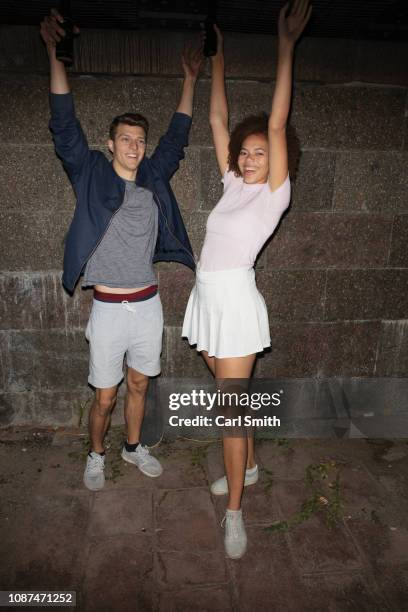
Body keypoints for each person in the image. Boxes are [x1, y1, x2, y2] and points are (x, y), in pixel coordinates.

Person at [40, 9, 203, 491]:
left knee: (139, 385)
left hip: (148, 304)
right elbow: (63, 124)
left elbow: (177, 138)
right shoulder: (90, 172)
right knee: (105, 395)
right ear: (110, 144)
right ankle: (96, 453)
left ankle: (133, 449)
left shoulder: (153, 176)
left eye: (140, 140)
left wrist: (190, 79)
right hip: (109, 308)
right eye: (126, 139)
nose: (135, 146)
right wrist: (55, 55)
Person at [182, 0, 312, 558]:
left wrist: (285, 47)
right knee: (227, 401)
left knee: (230, 414)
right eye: (246, 151)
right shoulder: (234, 184)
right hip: (205, 298)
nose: (251, 157)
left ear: (277, 160)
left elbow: (277, 120)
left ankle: (235, 510)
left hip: (234, 301)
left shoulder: (272, 196)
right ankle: (251, 468)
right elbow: (216, 120)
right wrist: (219, 59)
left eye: (260, 152)